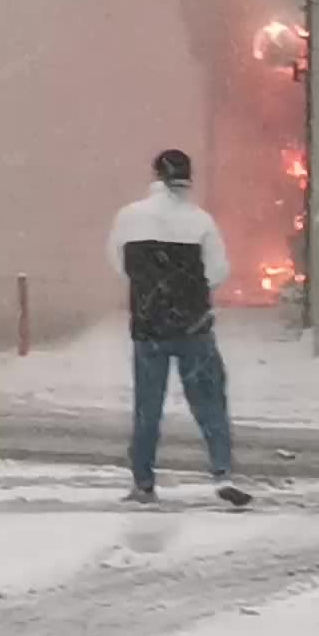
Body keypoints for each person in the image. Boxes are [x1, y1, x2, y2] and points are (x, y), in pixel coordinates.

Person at [107, 149, 251, 508]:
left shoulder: (129, 217)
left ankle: (143, 482)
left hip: (148, 326)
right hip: (193, 327)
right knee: (209, 401)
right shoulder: (200, 221)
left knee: (148, 407)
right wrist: (188, 293)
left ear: (156, 176)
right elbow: (218, 270)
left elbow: (118, 262)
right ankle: (222, 472)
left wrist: (151, 291)